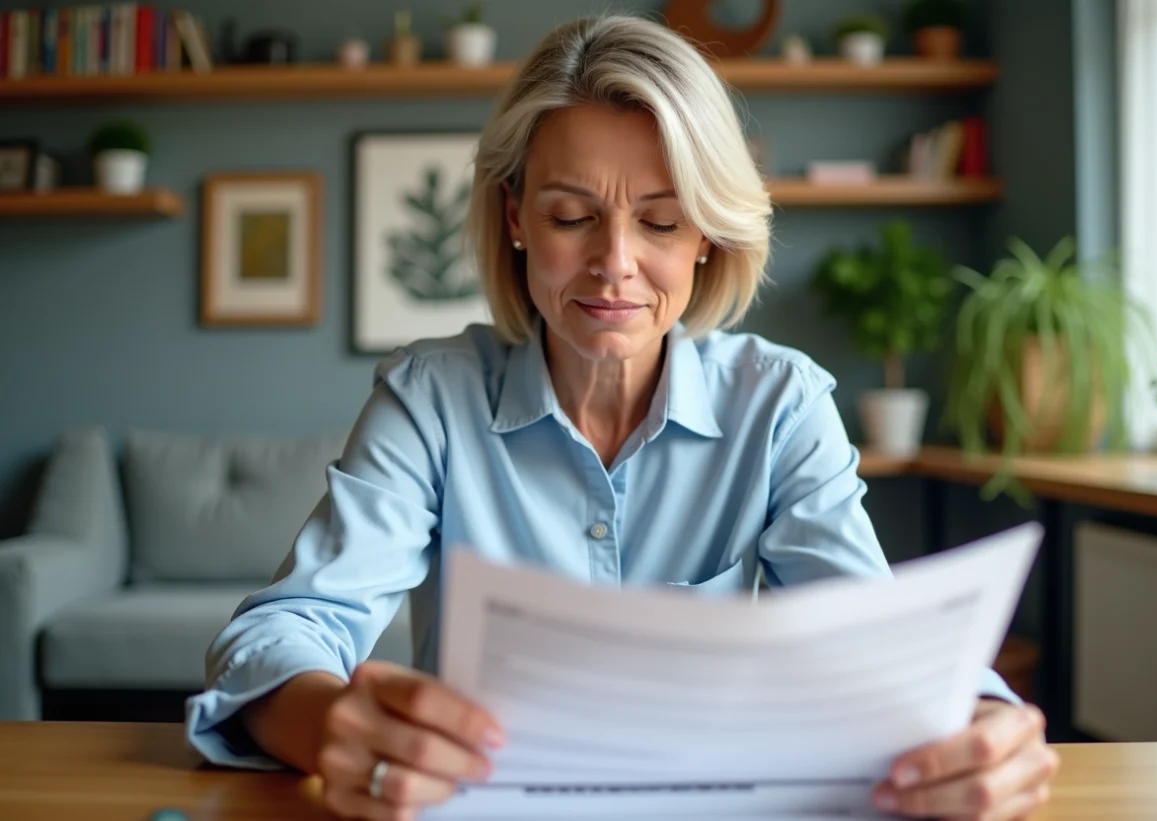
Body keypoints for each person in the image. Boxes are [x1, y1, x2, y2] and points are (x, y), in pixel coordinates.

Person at [185, 14, 1059, 821]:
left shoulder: (781, 403)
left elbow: (873, 645)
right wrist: (325, 719)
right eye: (572, 216)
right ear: (516, 216)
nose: (615, 264)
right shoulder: (431, 400)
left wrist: (981, 722)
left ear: (706, 235)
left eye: (661, 221)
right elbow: (284, 627)